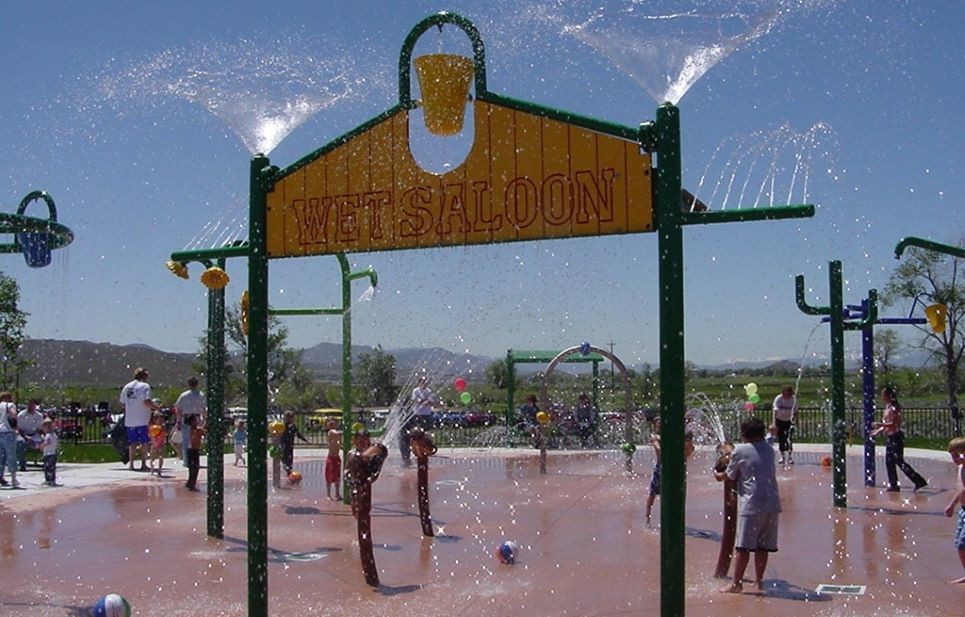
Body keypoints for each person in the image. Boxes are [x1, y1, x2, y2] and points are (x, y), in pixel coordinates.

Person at [717, 416, 782, 594]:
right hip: (772, 503)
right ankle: (759, 582)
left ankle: (736, 583)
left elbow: (730, 476)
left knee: (743, 546)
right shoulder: (769, 449)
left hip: (751, 504)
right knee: (763, 545)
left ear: (744, 434)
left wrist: (717, 474)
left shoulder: (741, 451)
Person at [871, 385, 927, 492]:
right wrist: (878, 430)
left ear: (888, 395)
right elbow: (886, 424)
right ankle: (893, 484)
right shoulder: (887, 407)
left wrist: (879, 424)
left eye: (883, 394)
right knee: (889, 461)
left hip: (896, 437)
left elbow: (894, 424)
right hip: (890, 437)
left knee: (899, 461)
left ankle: (918, 480)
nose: (882, 397)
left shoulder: (894, 407)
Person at [645, 417, 695, 527]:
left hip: (674, 467)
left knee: (673, 493)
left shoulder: (670, 436)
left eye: (661, 424)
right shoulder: (655, 437)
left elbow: (689, 450)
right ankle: (647, 518)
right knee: (653, 494)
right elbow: (660, 450)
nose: (660, 426)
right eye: (658, 424)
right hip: (660, 468)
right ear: (654, 426)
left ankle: (673, 519)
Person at [119, 367, 160, 471]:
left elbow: (123, 402)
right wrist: (156, 407)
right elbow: (146, 402)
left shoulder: (127, 386)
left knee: (132, 443)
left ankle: (132, 464)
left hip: (130, 420)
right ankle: (143, 463)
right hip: (142, 419)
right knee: (144, 442)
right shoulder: (145, 387)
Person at [944, 436, 965, 584]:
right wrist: (952, 505)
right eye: (953, 456)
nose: (955, 459)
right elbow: (960, 490)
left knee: (962, 544)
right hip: (963, 510)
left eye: (958, 455)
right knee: (959, 542)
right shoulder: (961, 468)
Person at [174, 377, 206, 468]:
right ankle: (194, 459)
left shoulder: (183, 395)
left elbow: (178, 409)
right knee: (196, 440)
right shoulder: (200, 395)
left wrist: (178, 421)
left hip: (186, 417)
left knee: (186, 440)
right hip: (196, 417)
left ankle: (186, 460)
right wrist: (203, 419)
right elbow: (203, 408)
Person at [771, 386, 797, 465]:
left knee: (789, 439)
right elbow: (775, 411)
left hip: (789, 421)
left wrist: (797, 421)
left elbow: (796, 411)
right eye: (786, 392)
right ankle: (782, 456)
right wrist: (774, 423)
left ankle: (789, 457)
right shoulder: (779, 399)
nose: (787, 394)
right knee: (781, 439)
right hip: (780, 420)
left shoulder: (793, 399)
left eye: (789, 392)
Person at [16, 399, 44, 471]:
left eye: (33, 405)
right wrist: (26, 437)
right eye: (29, 405)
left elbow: (40, 429)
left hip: (35, 435)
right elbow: (19, 429)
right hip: (23, 435)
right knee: (20, 443)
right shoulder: (21, 415)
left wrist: (39, 437)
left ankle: (47, 462)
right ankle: (22, 465)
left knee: (47, 442)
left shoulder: (39, 416)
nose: (31, 407)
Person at [279, 410, 308, 476]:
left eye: (292, 417)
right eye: (289, 417)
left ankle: (288, 470)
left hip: (290, 444)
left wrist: (304, 440)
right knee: (284, 457)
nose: (291, 419)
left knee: (289, 457)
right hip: (284, 444)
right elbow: (281, 435)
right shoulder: (283, 425)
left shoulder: (292, 425)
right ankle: (287, 468)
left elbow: (297, 433)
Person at [0, 392, 20, 488]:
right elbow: (14, 414)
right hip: (8, 432)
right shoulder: (10, 405)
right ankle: (13, 479)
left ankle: (1, 476)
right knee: (11, 456)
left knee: (1, 457)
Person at [184, 415, 206, 491]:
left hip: (191, 450)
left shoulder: (192, 429)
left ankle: (190, 483)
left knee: (192, 468)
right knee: (195, 468)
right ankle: (191, 484)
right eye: (195, 420)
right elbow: (203, 431)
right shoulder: (196, 430)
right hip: (193, 450)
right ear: (191, 422)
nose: (196, 422)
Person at [324, 418, 342, 500]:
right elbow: (337, 433)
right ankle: (328, 494)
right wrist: (347, 431)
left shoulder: (337, 435)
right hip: (331, 458)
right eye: (330, 423)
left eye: (333, 423)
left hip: (336, 457)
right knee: (329, 477)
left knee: (337, 477)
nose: (331, 425)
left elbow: (339, 445)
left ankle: (337, 494)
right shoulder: (331, 432)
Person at [40, 418, 58, 486]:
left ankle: (48, 480)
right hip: (53, 453)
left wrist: (42, 446)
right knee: (52, 468)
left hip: (48, 454)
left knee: (47, 468)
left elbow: (48, 442)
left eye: (43, 428)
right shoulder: (54, 435)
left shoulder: (48, 435)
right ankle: (52, 480)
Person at [147, 411, 167, 476]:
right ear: (154, 419)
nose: (161, 419)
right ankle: (152, 469)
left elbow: (166, 434)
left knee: (161, 456)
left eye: (162, 418)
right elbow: (149, 435)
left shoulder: (163, 426)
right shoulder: (152, 427)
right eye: (159, 418)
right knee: (152, 457)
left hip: (161, 443)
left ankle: (159, 469)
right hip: (154, 444)